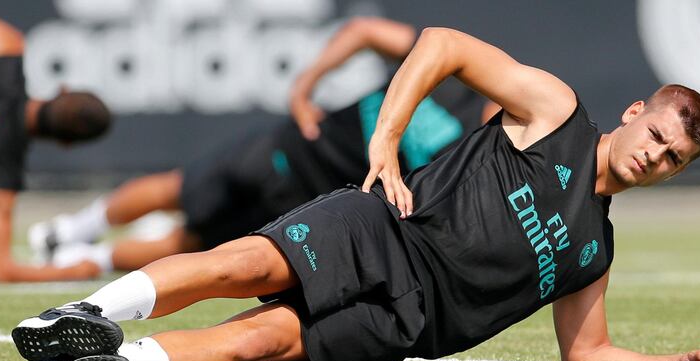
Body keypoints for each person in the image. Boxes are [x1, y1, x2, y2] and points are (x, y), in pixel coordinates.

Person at [12, 27, 700, 361]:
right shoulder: (558, 112)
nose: (655, 157)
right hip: (384, 230)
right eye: (656, 136)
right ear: (636, 114)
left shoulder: (593, 251)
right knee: (245, 262)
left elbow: (586, 356)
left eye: (673, 160)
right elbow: (443, 44)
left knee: (254, 345)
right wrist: (385, 142)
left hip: (408, 323)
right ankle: (85, 317)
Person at [28, 17, 498, 273]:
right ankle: (70, 230)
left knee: (190, 244)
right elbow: (364, 31)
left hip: (306, 200)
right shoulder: (451, 77)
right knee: (180, 188)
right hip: (286, 148)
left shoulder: (475, 157)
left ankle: (86, 259)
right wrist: (305, 85)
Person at [0, 15, 111, 282]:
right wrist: (79, 269)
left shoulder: (0, 45)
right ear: (67, 144)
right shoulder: (0, 182)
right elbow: (0, 271)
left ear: (61, 90)